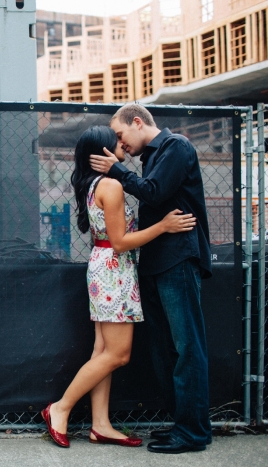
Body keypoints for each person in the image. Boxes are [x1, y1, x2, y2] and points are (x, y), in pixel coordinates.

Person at [41, 126, 196, 449]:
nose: (121, 143)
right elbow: (121, 242)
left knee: (103, 352)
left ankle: (100, 425)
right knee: (118, 354)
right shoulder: (110, 185)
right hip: (114, 269)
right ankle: (60, 408)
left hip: (106, 267)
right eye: (115, 141)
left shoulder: (96, 183)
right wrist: (164, 226)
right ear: (104, 152)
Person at [89, 103, 212, 454]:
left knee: (188, 347)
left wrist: (117, 171)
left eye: (120, 135)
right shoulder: (150, 158)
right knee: (168, 349)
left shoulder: (177, 147)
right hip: (158, 263)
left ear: (138, 122)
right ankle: (183, 426)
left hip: (178, 260)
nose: (120, 143)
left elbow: (155, 191)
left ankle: (193, 433)